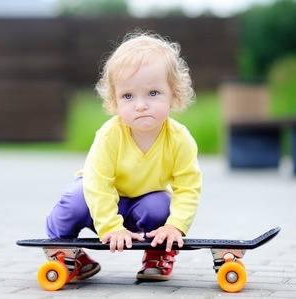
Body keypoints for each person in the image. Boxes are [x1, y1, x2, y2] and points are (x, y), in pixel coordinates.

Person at [46, 30, 202, 282]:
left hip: (142, 205)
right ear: (115, 100)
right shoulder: (110, 136)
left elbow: (188, 187)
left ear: (174, 94)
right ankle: (62, 249)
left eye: (153, 93)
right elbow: (98, 184)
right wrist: (111, 227)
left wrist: (176, 226)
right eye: (128, 96)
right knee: (75, 199)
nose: (140, 105)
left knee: (162, 205)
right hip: (99, 202)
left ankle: (158, 252)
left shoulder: (180, 139)